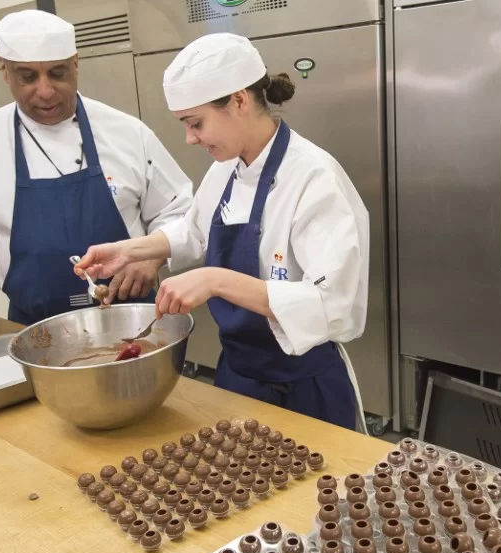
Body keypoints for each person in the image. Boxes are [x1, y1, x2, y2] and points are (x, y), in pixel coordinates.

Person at [75, 33, 369, 430]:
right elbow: (195, 232)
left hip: (303, 387)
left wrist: (215, 280)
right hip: (237, 376)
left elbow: (331, 304)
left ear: (240, 101)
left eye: (195, 123)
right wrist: (131, 251)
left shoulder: (314, 178)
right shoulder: (226, 169)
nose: (189, 138)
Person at [0, 9, 192, 326]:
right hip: (34, 330)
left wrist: (151, 256)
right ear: (4, 71)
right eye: (27, 77)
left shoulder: (127, 133)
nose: (44, 91)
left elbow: (180, 212)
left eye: (57, 73)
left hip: (133, 319)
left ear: (76, 65)